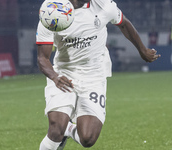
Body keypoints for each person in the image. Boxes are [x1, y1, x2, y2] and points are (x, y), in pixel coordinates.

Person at [36, 0, 161, 149]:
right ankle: (61, 130)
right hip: (64, 73)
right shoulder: (53, 11)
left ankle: (68, 130)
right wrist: (55, 77)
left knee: (88, 139)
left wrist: (143, 50)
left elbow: (124, 23)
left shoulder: (104, 5)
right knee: (56, 129)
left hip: (94, 75)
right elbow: (42, 58)